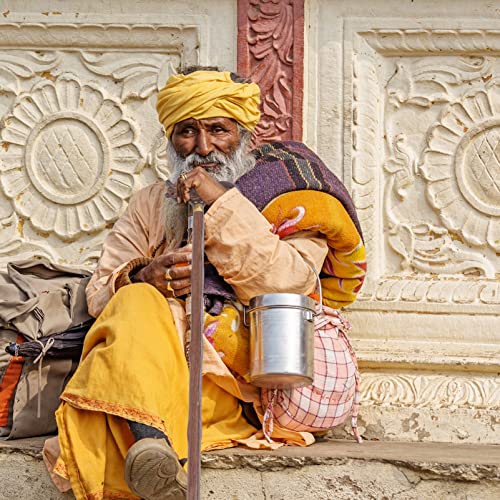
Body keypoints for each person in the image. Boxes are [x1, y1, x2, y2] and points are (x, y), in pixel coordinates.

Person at [43, 67, 366, 500]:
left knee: (98, 411)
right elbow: (100, 292)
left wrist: (221, 204)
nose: (203, 147)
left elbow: (290, 282)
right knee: (135, 297)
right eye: (186, 132)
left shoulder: (289, 196)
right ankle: (151, 449)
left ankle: (147, 442)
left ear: (245, 134)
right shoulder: (152, 203)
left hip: (228, 387)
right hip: (147, 369)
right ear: (171, 140)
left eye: (218, 130)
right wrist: (145, 273)